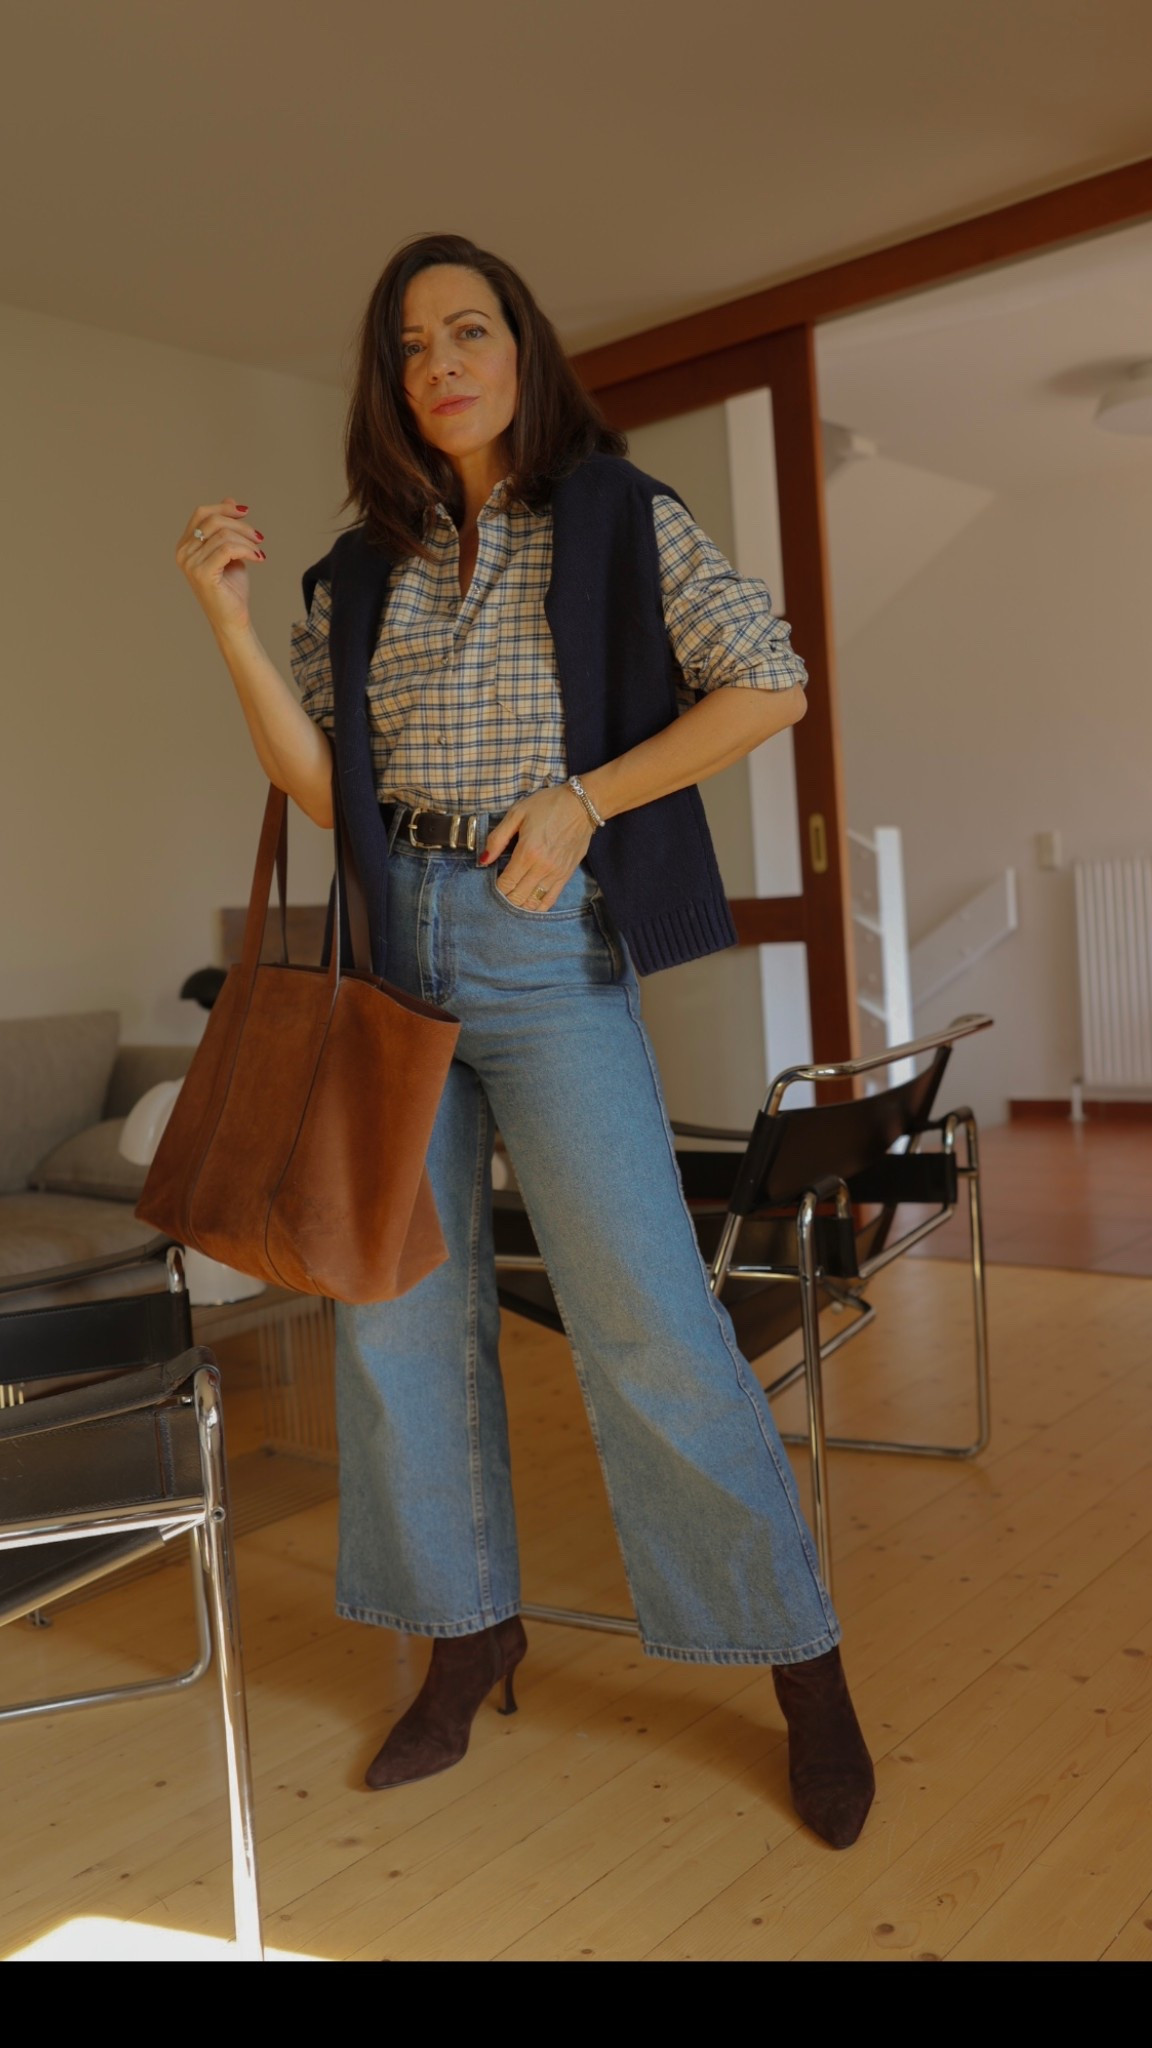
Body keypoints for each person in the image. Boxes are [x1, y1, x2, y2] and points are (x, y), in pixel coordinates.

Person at [176, 233, 874, 1849]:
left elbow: (768, 685)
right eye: (409, 345)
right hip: (393, 947)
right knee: (397, 1323)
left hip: (544, 939)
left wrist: (585, 797)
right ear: (390, 384)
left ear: (520, 347)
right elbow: (316, 786)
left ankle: (799, 1659)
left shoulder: (619, 515)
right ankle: (463, 1633)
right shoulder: (358, 570)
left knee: (645, 1322)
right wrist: (222, 619)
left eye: (466, 329)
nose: (439, 363)